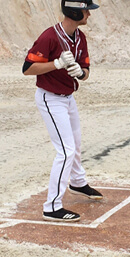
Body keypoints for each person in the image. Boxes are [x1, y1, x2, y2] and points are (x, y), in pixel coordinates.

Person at [22, 0, 102, 222]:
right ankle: (52, 206)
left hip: (68, 98)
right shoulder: (49, 36)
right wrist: (56, 64)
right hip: (50, 98)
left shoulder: (80, 38)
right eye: (86, 10)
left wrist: (80, 72)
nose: (89, 14)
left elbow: (86, 72)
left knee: (75, 145)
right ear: (75, 11)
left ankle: (77, 182)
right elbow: (27, 69)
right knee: (65, 151)